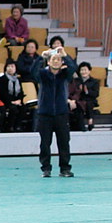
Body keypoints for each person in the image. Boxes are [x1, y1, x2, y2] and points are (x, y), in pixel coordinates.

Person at [33, 43, 77, 178]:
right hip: (44, 114)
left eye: (58, 59)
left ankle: (65, 169)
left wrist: (65, 55)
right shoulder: (42, 75)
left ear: (61, 62)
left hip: (61, 113)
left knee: (64, 142)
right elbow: (32, 71)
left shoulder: (65, 75)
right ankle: (46, 168)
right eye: (53, 59)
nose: (56, 61)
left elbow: (73, 67)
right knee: (45, 143)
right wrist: (41, 57)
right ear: (49, 62)